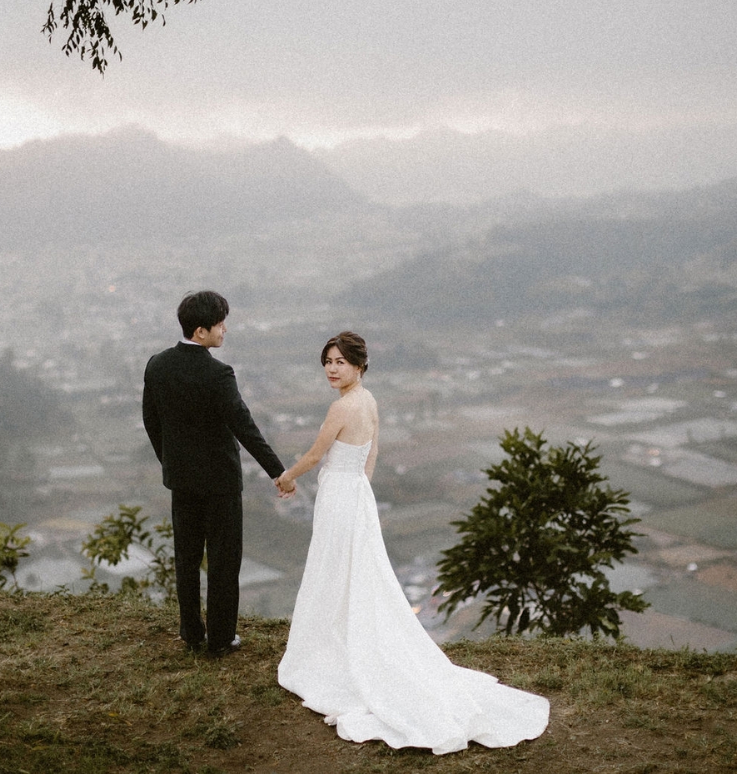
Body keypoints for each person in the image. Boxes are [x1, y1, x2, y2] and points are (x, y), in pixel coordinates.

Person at [276, 331, 550, 754]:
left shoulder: (342, 407)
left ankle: (330, 645)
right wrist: (359, 488)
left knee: (333, 567)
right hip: (356, 495)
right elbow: (372, 451)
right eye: (327, 361)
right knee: (358, 569)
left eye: (339, 362)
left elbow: (315, 456)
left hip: (339, 495)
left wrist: (287, 477)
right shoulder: (368, 402)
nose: (332, 369)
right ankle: (345, 637)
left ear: (358, 365)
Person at [143, 290, 292, 658]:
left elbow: (151, 421)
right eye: (220, 324)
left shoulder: (157, 365)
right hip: (220, 483)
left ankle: (191, 631)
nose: (225, 330)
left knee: (187, 559)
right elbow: (244, 426)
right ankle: (221, 638)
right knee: (224, 561)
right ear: (200, 331)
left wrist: (170, 462)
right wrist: (277, 470)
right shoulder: (217, 373)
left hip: (181, 481)